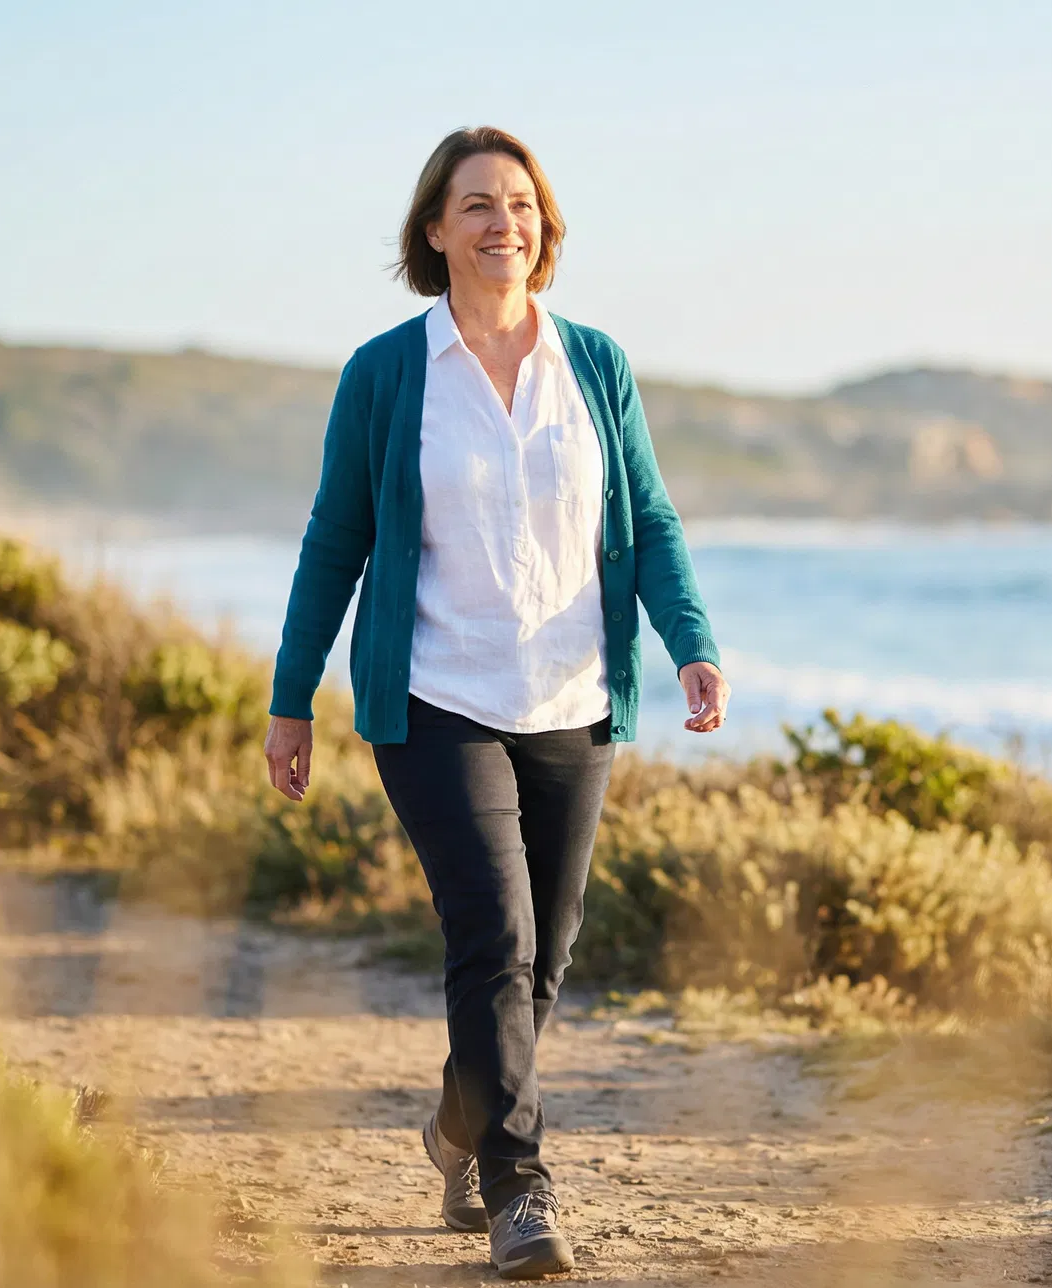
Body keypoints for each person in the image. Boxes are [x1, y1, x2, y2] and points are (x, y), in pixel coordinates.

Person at [260, 126, 728, 1279]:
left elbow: (651, 522)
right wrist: (292, 697)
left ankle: (459, 1124)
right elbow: (337, 540)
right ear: (435, 230)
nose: (501, 222)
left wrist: (690, 645)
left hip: (572, 697)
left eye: (519, 204)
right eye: (475, 204)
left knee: (548, 954)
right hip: (435, 696)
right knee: (495, 935)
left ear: (544, 226)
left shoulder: (597, 365)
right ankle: (520, 1187)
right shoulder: (387, 371)